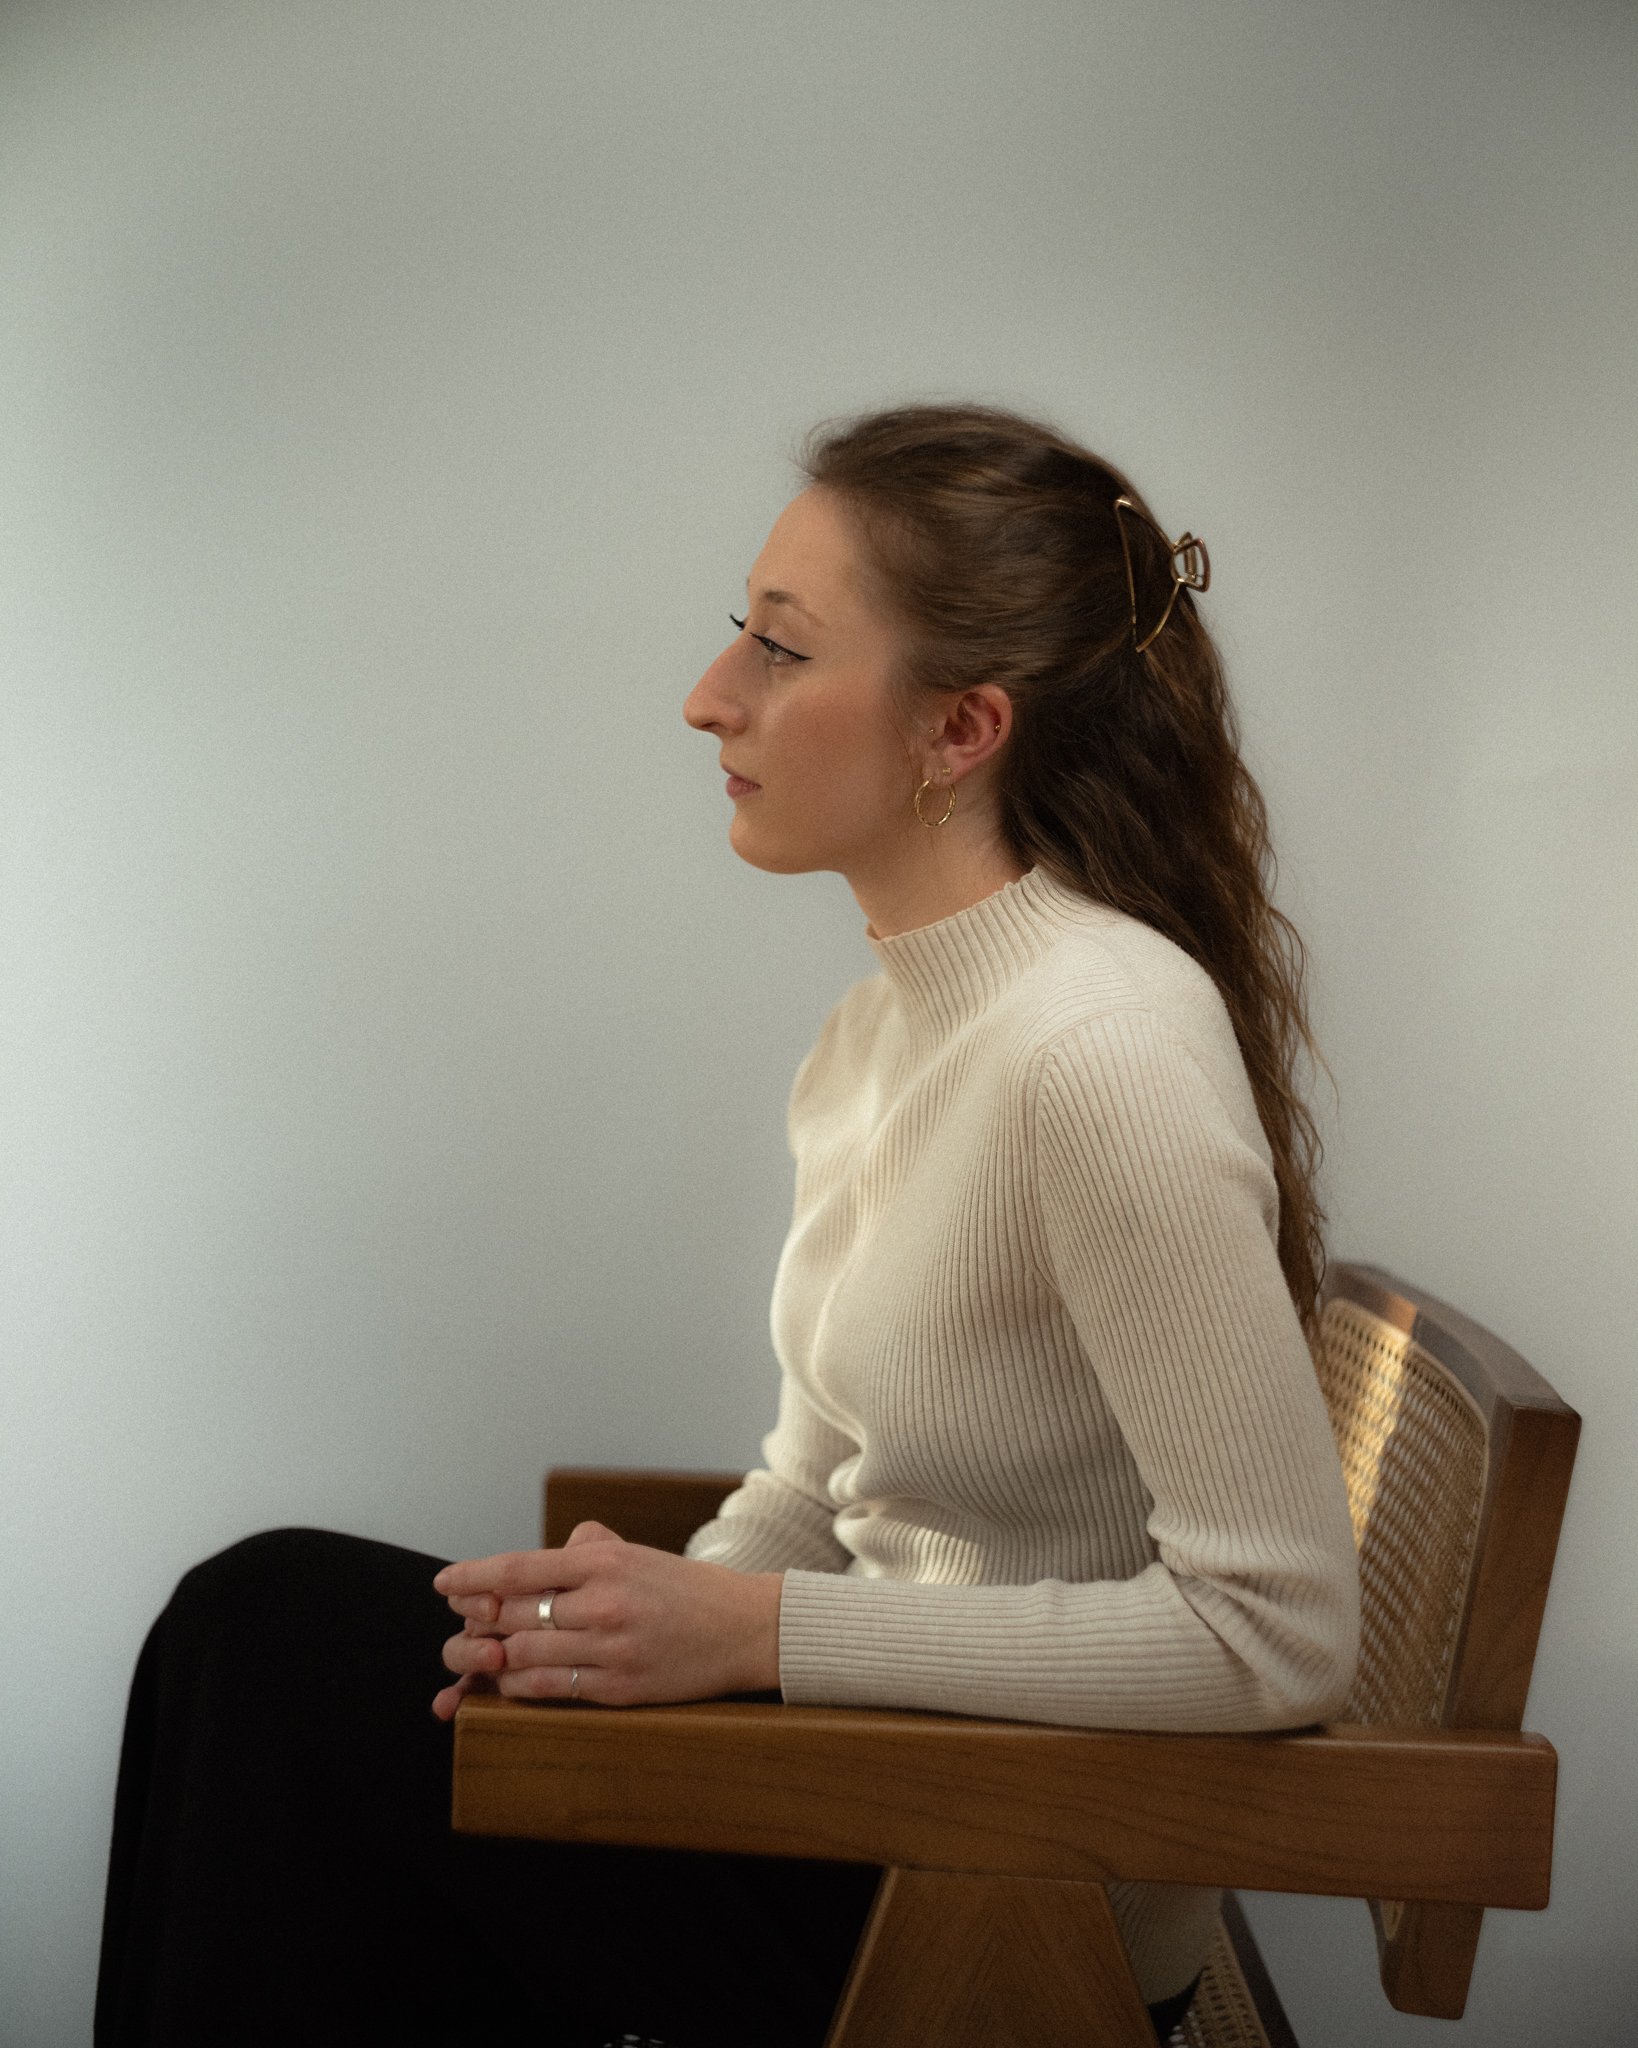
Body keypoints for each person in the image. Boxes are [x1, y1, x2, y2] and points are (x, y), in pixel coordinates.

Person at [96, 402, 1360, 2047]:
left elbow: (1275, 1637)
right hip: (857, 1786)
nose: (709, 696)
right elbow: (822, 1483)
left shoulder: (1097, 1049)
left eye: (779, 646)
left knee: (267, 1644)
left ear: (960, 728)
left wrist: (748, 1634)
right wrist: (623, 1649)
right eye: (737, 633)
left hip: (997, 1884)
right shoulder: (881, 1033)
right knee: (258, 1664)